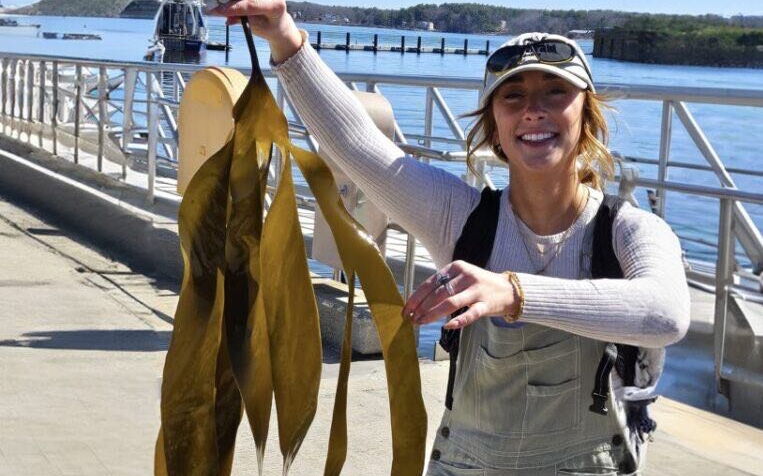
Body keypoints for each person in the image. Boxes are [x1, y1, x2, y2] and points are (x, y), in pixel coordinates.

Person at [211, 2, 691, 474]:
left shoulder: (628, 229)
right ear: (495, 128)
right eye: (513, 96)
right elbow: (358, 145)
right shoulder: (464, 220)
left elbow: (665, 313)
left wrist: (514, 293)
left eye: (555, 92)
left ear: (586, 115)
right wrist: (284, 34)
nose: (533, 111)